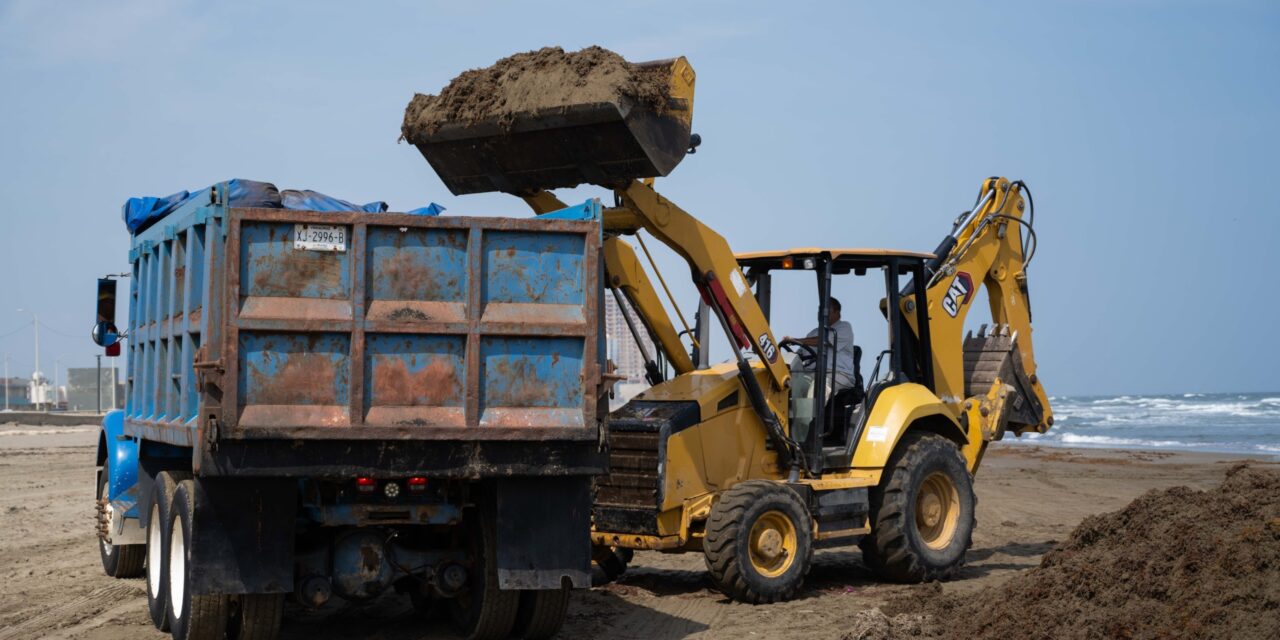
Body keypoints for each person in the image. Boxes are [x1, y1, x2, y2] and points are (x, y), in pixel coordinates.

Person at [783, 297, 856, 392]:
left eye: (825, 309)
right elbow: (799, 354)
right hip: (812, 375)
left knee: (818, 387)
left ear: (837, 313)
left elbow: (823, 341)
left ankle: (810, 407)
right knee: (786, 384)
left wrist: (795, 340)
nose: (820, 312)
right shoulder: (813, 333)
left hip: (837, 375)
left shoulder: (844, 327)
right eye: (819, 309)